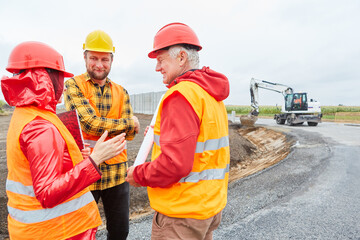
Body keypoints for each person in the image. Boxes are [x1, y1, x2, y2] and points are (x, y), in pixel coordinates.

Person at [1, 41, 127, 240]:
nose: (62, 85)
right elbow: (48, 193)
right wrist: (95, 160)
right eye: (59, 77)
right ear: (44, 77)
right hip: (59, 231)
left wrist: (74, 157)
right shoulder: (40, 126)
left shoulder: (27, 114)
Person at [126, 22, 230, 240]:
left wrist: (138, 174)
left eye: (161, 60)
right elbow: (201, 144)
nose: (157, 67)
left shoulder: (181, 95)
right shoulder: (209, 93)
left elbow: (175, 164)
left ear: (181, 57)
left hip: (181, 215)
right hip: (208, 208)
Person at [64, 30, 140, 240]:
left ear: (112, 60)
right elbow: (88, 123)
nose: (99, 64)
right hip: (85, 172)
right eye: (94, 58)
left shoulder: (121, 92)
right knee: (81, 232)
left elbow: (130, 136)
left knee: (119, 231)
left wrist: (128, 129)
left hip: (116, 174)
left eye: (104, 59)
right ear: (85, 57)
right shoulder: (73, 85)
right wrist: (129, 123)